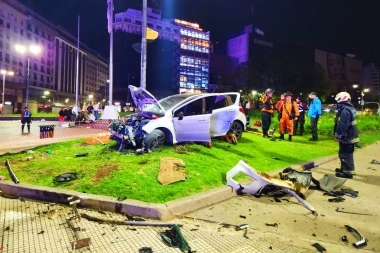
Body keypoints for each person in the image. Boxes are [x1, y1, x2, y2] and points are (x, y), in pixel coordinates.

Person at [333, 92, 360, 179]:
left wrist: (338, 135)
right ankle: (344, 169)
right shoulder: (349, 108)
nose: (337, 102)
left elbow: (343, 124)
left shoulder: (345, 110)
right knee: (343, 153)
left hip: (347, 136)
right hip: (349, 135)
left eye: (338, 99)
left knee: (345, 154)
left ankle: (348, 173)